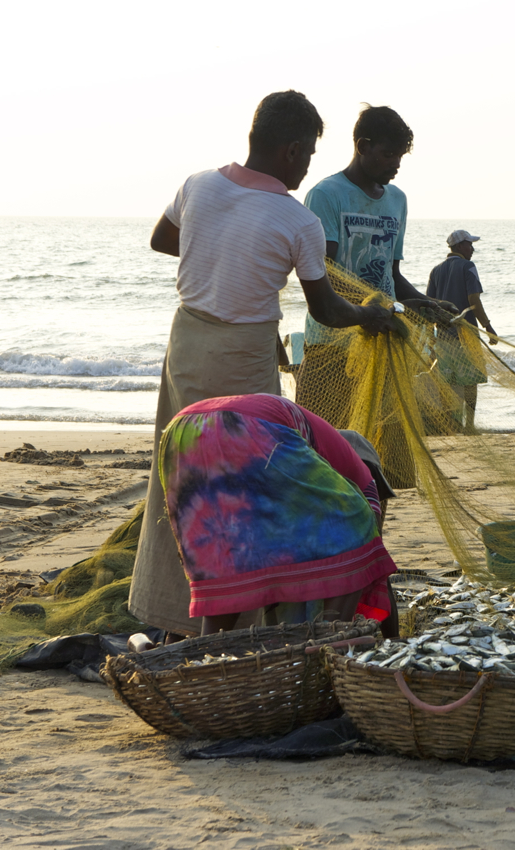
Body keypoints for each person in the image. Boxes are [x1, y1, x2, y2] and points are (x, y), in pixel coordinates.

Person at [129, 90, 399, 638]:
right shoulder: (297, 220)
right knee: (251, 490)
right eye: (309, 154)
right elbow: (326, 309)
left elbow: (162, 240)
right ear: (291, 150)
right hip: (245, 355)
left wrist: (218, 250)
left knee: (183, 480)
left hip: (187, 346)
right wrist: (370, 316)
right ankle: (240, 623)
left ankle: (172, 615)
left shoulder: (197, 185)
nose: (308, 166)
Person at [159, 394, 396, 635]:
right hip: (252, 426)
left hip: (181, 433)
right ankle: (330, 641)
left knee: (230, 551)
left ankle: (208, 649)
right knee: (359, 529)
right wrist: (395, 638)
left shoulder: (316, 448)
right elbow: (376, 563)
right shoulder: (364, 478)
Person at [297, 104, 452, 434]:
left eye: (400, 156)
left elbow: (391, 277)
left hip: (384, 339)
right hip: (333, 344)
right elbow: (325, 275)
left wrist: (426, 304)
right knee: (325, 439)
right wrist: (381, 310)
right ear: (363, 146)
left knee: (383, 440)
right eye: (388, 154)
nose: (396, 165)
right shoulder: (327, 195)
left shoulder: (397, 200)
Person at [427, 230, 497, 432]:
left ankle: (451, 425)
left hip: (443, 336)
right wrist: (488, 326)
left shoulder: (436, 270)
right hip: (465, 336)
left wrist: (430, 337)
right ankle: (469, 425)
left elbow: (429, 304)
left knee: (448, 381)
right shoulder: (468, 267)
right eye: (469, 244)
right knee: (470, 381)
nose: (472, 249)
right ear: (459, 246)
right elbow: (474, 300)